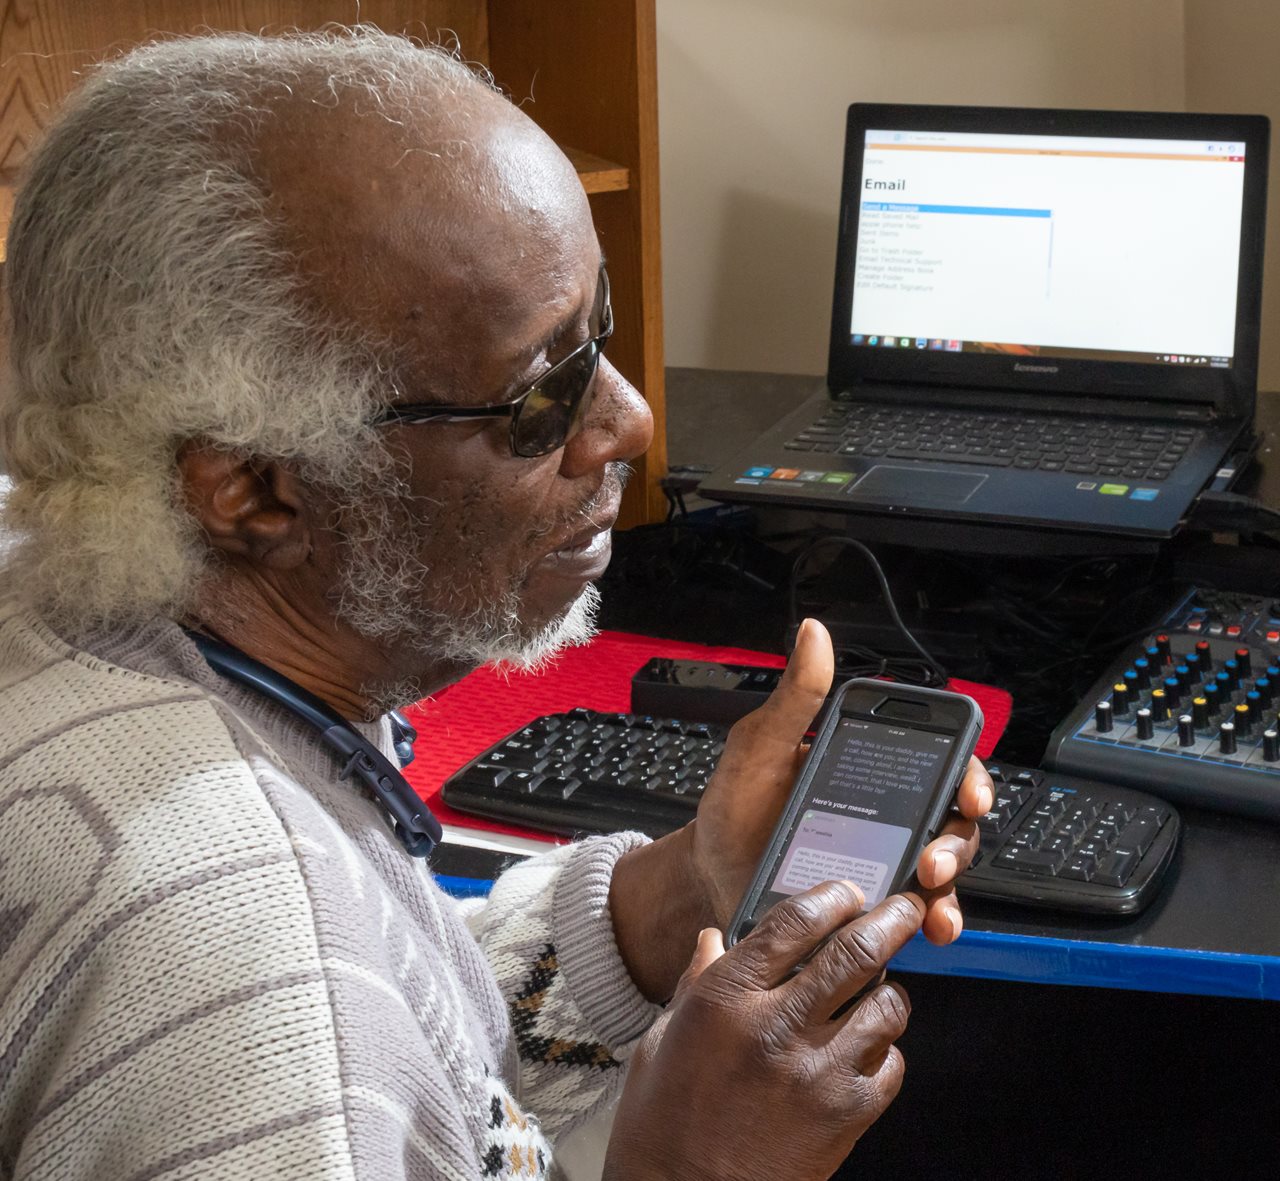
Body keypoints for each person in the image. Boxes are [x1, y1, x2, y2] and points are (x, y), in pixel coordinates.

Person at [0, 28, 992, 1181]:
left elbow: (401, 1038)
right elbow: (309, 1024)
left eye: (598, 336)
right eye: (540, 393)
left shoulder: (65, 599)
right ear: (254, 486)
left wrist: (681, 893)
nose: (626, 423)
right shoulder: (247, 940)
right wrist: (687, 1169)